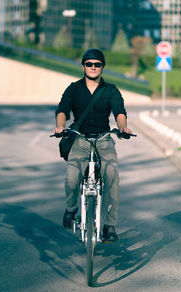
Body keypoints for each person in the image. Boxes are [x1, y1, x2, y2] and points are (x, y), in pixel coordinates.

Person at [54, 48, 132, 242]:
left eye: (97, 64)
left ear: (102, 67)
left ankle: (109, 225)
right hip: (79, 139)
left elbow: (119, 113)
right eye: (89, 64)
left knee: (112, 174)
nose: (93, 67)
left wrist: (123, 128)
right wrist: (60, 127)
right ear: (83, 66)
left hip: (103, 138)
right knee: (72, 177)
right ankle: (72, 209)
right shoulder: (74, 88)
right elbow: (62, 110)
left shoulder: (110, 90)